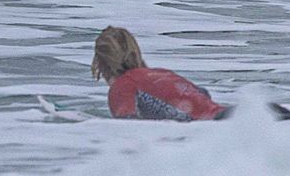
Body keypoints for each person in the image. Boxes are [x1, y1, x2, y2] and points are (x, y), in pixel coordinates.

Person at [91, 26, 229, 121]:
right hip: (228, 117)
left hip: (211, 126)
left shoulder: (122, 87)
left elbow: (128, 127)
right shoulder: (161, 74)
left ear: (100, 66)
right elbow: (202, 93)